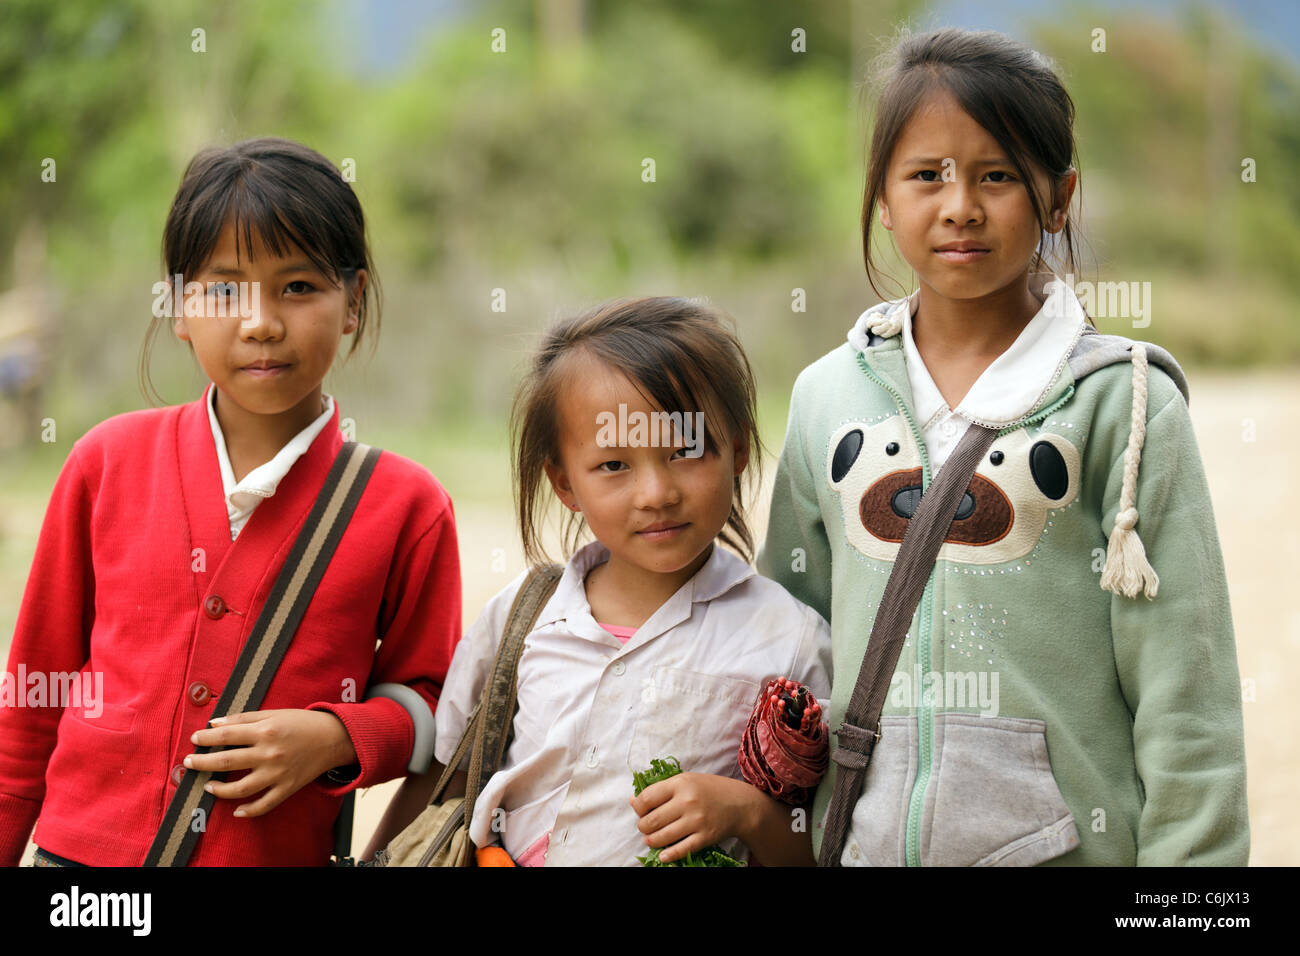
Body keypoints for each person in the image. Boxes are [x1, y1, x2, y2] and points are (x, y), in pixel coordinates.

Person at [758, 27, 1249, 866]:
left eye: (997, 176)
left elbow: (1186, 696)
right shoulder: (824, 397)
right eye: (926, 176)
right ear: (881, 197)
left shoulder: (1124, 404)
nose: (960, 207)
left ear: (1058, 199)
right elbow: (783, 648)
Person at [0, 137, 462, 867]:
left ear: (354, 302)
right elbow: (29, 704)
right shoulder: (105, 464)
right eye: (224, 290)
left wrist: (340, 737)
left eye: (299, 287)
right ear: (180, 307)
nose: (261, 323)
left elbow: (440, 706)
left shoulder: (404, 505)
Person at [372, 297, 832, 866]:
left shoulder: (788, 639)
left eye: (686, 450)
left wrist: (746, 811)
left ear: (736, 450)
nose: (656, 493)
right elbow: (443, 781)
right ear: (565, 484)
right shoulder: (522, 617)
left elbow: (823, 843)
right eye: (614, 465)